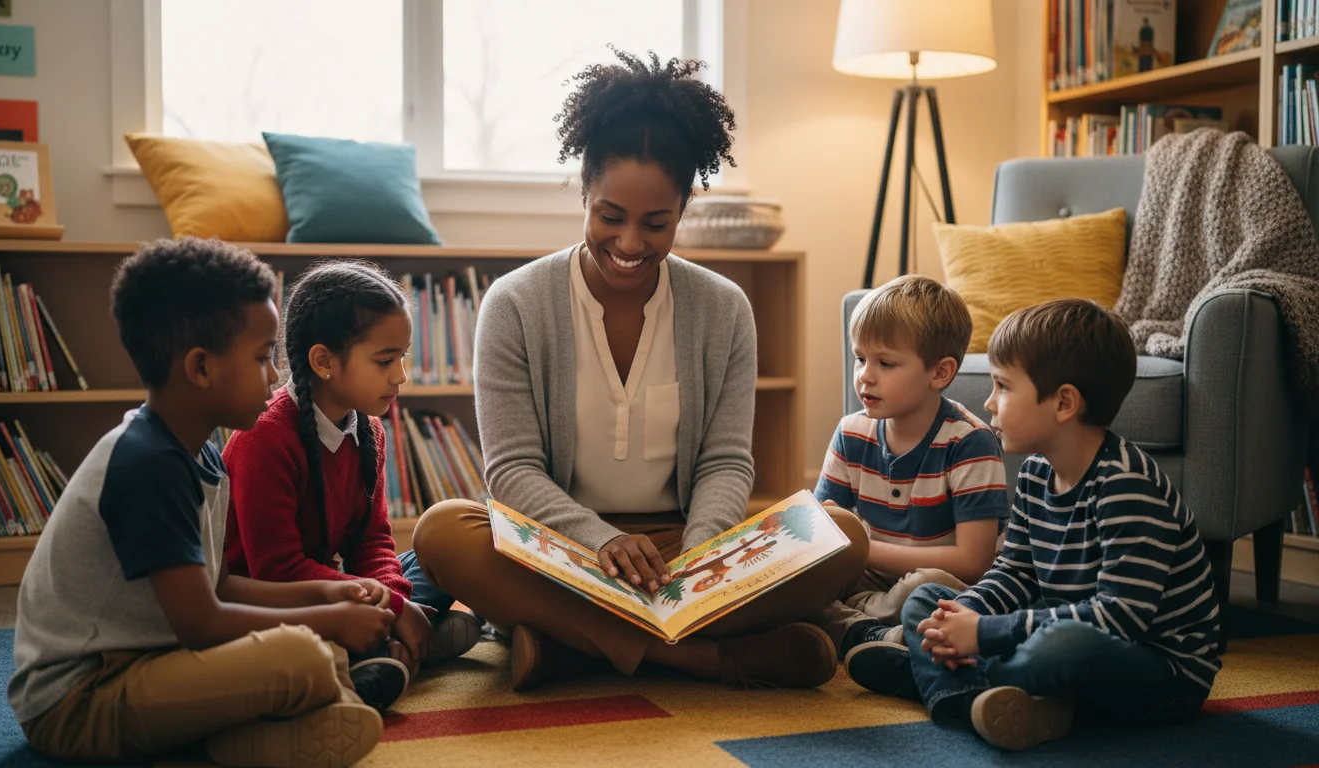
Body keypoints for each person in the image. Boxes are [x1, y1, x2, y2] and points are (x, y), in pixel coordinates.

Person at [412, 48, 869, 691]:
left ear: (683, 206)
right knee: (442, 532)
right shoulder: (514, 304)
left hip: (683, 547)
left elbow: (725, 461)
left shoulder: (723, 308)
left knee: (843, 534)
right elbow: (511, 470)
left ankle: (572, 642)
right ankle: (698, 656)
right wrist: (596, 539)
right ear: (584, 193)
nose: (630, 244)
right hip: (564, 549)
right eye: (610, 217)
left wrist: (705, 557)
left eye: (656, 223)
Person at [8, 238, 387, 767]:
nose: (276, 376)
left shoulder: (196, 452)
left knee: (316, 644)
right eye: (261, 358)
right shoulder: (147, 463)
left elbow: (219, 584)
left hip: (150, 658)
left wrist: (328, 591)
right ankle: (307, 707)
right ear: (201, 368)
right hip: (79, 698)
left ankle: (258, 735)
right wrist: (326, 619)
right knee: (304, 652)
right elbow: (201, 623)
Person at [862, 299, 1222, 751]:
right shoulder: (1034, 473)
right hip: (1050, 627)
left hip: (1159, 672)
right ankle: (983, 701)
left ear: (1064, 402)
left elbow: (1119, 618)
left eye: (1003, 386)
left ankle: (931, 678)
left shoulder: (1126, 485)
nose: (989, 401)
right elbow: (1016, 572)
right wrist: (962, 616)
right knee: (927, 602)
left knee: (1064, 646)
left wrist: (983, 634)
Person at [222, 260, 481, 713]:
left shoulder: (370, 432)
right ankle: (379, 654)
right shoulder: (264, 437)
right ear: (323, 361)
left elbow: (376, 540)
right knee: (313, 633)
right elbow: (276, 571)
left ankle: (382, 646)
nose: (400, 375)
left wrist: (390, 597)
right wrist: (388, 607)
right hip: (274, 601)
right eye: (385, 361)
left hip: (339, 586)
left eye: (402, 356)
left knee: (434, 556)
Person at [811, 275, 1008, 692]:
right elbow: (822, 529)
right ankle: (879, 636)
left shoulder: (970, 442)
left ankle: (857, 627)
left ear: (940, 372)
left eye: (885, 363)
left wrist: (863, 550)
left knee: (923, 587)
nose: (865, 376)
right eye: (859, 358)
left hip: (940, 581)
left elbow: (975, 562)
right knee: (797, 584)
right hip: (869, 576)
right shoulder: (852, 432)